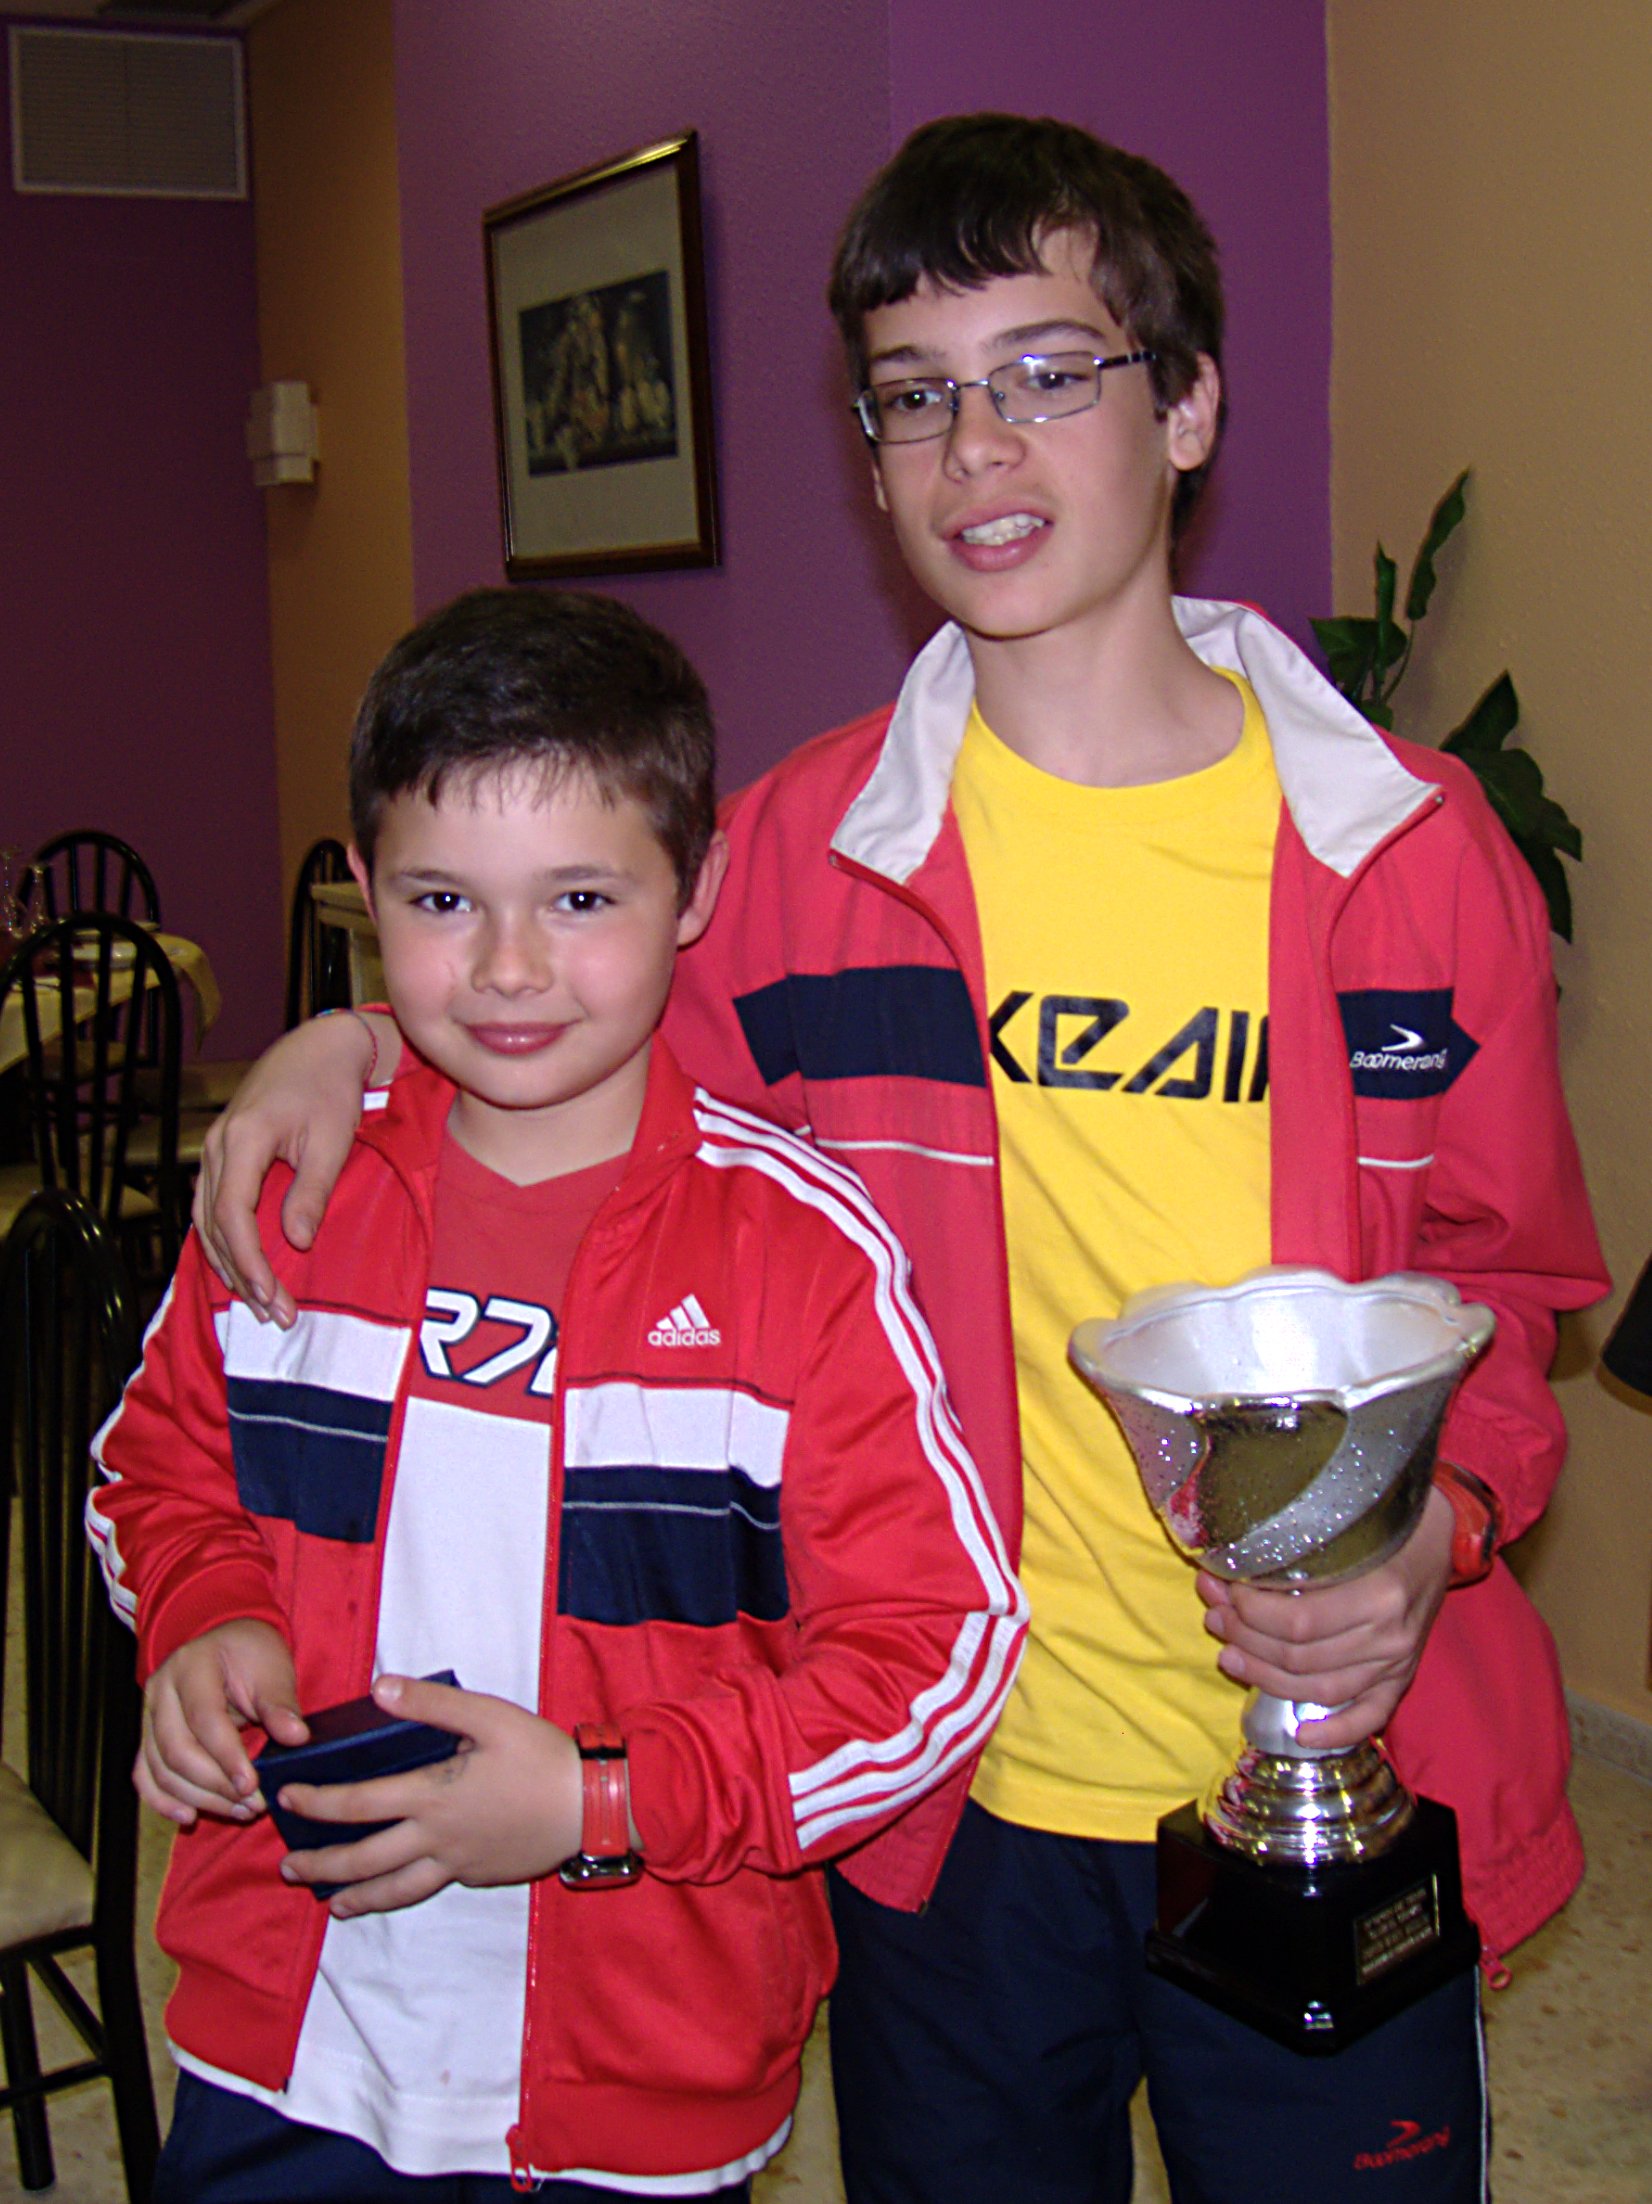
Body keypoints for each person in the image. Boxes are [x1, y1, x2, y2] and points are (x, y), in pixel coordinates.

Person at [191, 115, 1607, 2204]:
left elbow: (1506, 1287)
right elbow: (551, 1031)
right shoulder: (793, 866)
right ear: (868, 456)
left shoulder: (1405, 851)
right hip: (943, 1815)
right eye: (915, 396)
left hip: (1333, 1768)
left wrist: (1432, 1533)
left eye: (1048, 372)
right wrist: (350, 1042)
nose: (978, 449)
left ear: (1188, 405)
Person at [88, 585, 1026, 2203]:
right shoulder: (289, 1201)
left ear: (696, 887)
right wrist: (201, 1614)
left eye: (580, 896)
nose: (510, 968)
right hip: (282, 2039)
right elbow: (152, 1470)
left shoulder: (799, 1257)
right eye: (444, 900)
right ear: (368, 889)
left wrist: (601, 1800)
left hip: (637, 2075)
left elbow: (936, 1653)